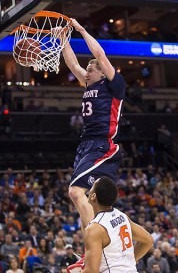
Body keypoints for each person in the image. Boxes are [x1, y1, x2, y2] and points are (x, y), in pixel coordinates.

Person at [61, 19, 127, 232]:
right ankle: (90, 250)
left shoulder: (115, 86)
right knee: (87, 199)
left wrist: (80, 29)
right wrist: (63, 40)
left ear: (102, 71)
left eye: (90, 70)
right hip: (86, 145)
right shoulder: (89, 83)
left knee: (75, 192)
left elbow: (100, 55)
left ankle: (93, 241)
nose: (86, 73)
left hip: (103, 144)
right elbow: (72, 65)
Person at [68, 176, 153, 273]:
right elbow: (148, 240)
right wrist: (128, 262)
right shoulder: (122, 216)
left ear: (93, 196)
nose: (89, 190)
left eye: (91, 187)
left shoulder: (94, 228)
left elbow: (91, 271)